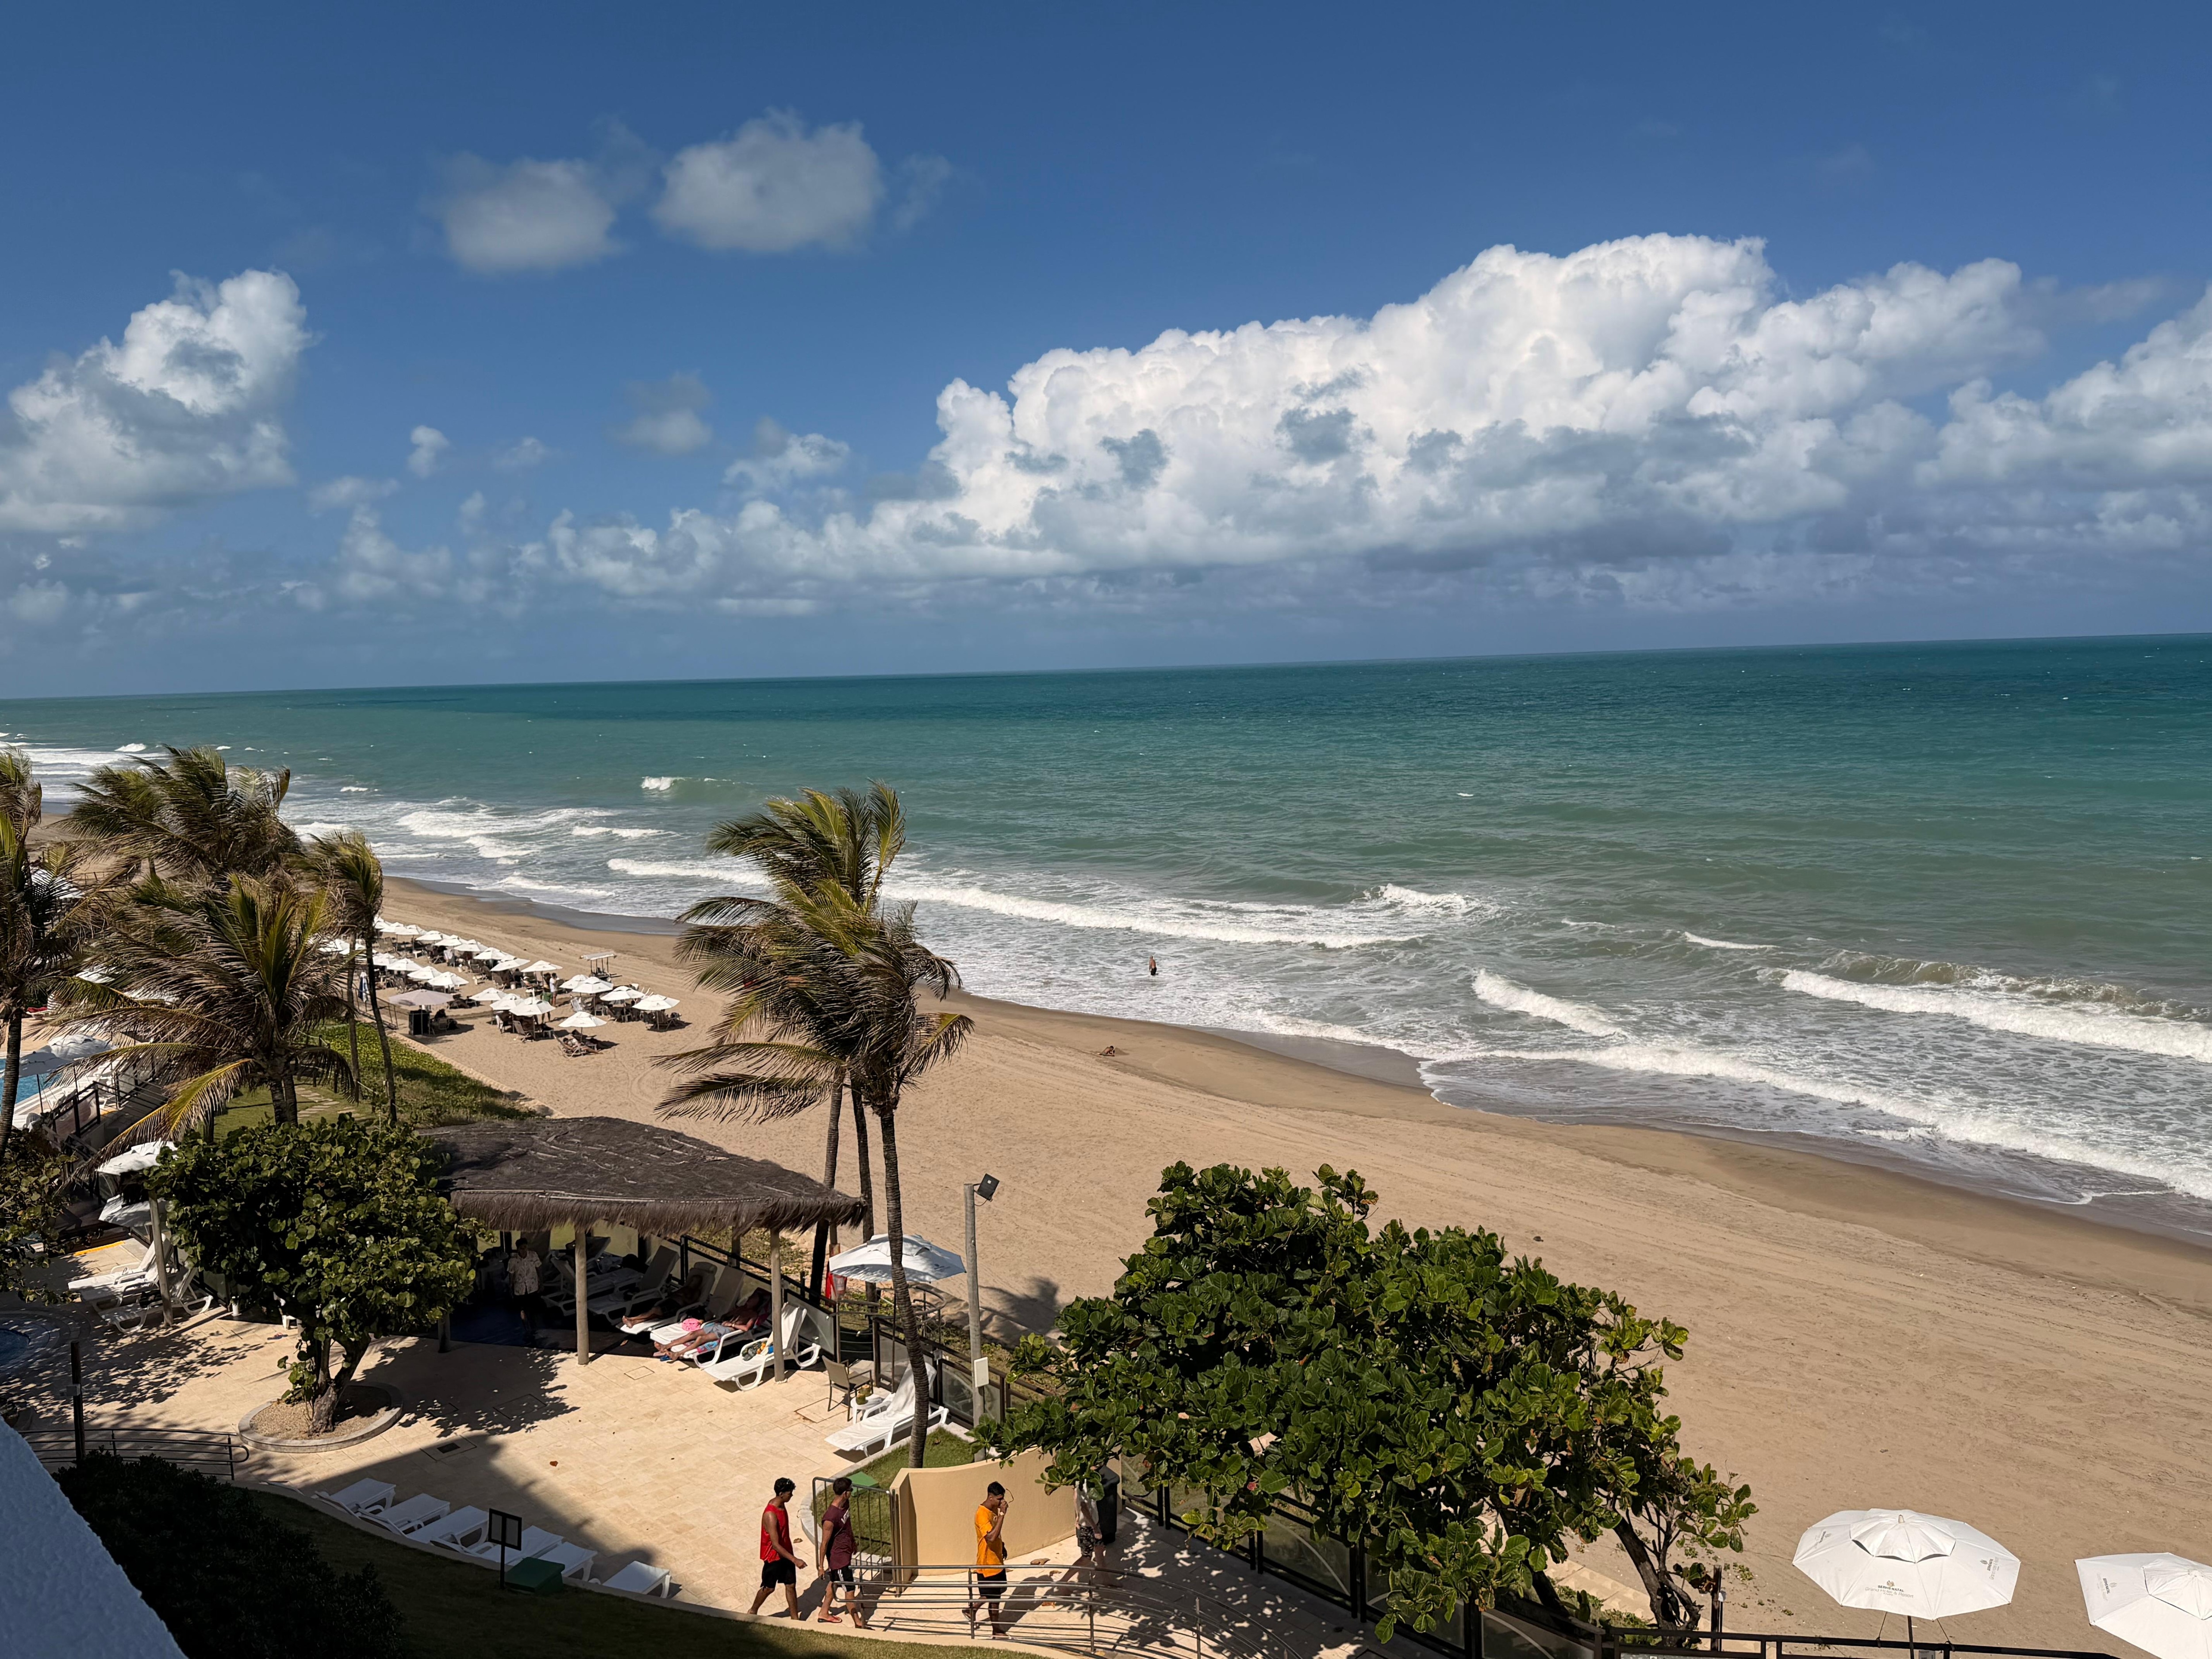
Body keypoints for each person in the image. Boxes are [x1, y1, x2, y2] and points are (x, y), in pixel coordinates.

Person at [750, 1477, 806, 1618]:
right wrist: (795, 1560)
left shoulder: (782, 1504)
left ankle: (795, 1619)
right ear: (781, 1494)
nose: (791, 1496)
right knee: (769, 1588)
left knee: (791, 1585)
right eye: (789, 1493)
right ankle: (753, 1611)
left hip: (786, 1552)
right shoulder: (771, 1515)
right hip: (774, 1557)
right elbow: (775, 1545)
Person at [817, 1475, 866, 1626]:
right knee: (850, 1591)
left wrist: (853, 1542)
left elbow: (847, 1525)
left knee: (834, 1582)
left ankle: (824, 1613)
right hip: (839, 1560)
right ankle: (858, 1623)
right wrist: (821, 1567)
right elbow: (824, 1544)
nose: (852, 1492)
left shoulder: (846, 1504)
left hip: (846, 1552)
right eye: (851, 1490)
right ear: (845, 1493)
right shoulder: (830, 1519)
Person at [968, 1480, 1010, 1637]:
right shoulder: (982, 1514)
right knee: (994, 1598)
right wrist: (1003, 1515)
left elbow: (996, 1534)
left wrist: (1002, 1545)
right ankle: (995, 1629)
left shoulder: (993, 1511)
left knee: (997, 1594)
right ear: (991, 1497)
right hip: (988, 1564)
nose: (1002, 1502)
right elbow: (991, 1537)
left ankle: (973, 1610)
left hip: (997, 1562)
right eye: (1000, 1499)